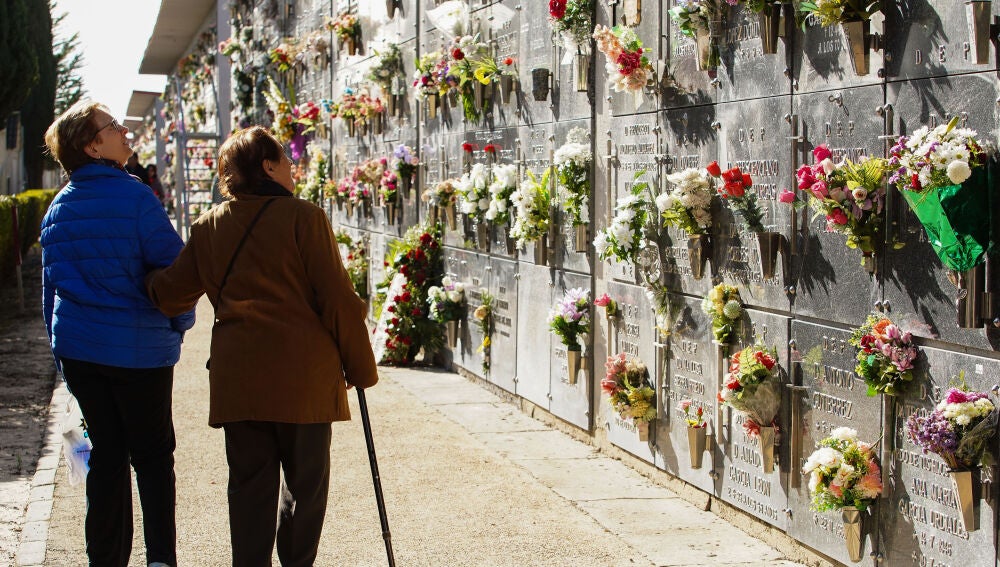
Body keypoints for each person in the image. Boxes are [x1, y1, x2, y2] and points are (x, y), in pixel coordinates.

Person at [145, 125, 378, 566]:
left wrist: (144, 277)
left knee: (249, 489)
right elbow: (338, 302)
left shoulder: (209, 226)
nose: (293, 169)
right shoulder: (304, 218)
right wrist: (361, 369)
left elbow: (171, 293)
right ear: (268, 167)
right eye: (287, 162)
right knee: (306, 489)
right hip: (303, 379)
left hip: (241, 381)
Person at [40, 100, 194, 567]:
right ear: (92, 145)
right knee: (151, 456)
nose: (125, 131)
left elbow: (51, 292)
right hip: (140, 352)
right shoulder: (135, 198)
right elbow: (175, 272)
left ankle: (105, 558)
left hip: (82, 351)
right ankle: (159, 559)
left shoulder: (57, 208)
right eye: (112, 127)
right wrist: (178, 325)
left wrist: (61, 352)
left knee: (106, 454)